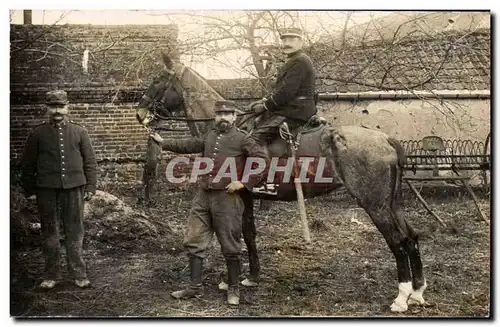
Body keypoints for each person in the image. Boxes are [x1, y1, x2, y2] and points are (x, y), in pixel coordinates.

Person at [150, 100, 267, 305]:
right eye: (219, 114)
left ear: (234, 117)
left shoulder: (242, 139)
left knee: (231, 245)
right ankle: (194, 288)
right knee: (194, 240)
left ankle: (233, 289)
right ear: (215, 117)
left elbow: (261, 160)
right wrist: (163, 141)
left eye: (227, 114)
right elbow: (189, 144)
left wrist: (243, 182)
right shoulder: (210, 136)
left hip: (228, 199)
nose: (222, 117)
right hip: (203, 196)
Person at [20, 90, 97, 290]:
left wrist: (90, 186)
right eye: (53, 107)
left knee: (75, 231)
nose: (57, 111)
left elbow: (90, 162)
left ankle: (79, 274)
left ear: (68, 107)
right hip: (46, 190)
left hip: (74, 188)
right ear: (47, 108)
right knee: (50, 232)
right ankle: (50, 275)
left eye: (61, 106)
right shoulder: (37, 133)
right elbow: (27, 164)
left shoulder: (80, 132)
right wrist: (30, 190)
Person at [250, 27, 317, 145]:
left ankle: (261, 163)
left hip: (295, 112)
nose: (286, 44)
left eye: (291, 40)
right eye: (284, 40)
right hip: (291, 109)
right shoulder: (293, 60)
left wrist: (265, 106)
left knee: (254, 140)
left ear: (301, 42)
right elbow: (280, 88)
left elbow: (286, 91)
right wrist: (263, 100)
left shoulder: (300, 60)